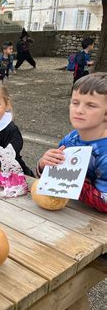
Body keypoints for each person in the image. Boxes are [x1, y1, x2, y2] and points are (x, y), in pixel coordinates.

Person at [37, 73, 106, 213]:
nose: (79, 110)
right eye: (75, 102)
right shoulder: (70, 140)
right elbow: (49, 179)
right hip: (68, 212)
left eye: (91, 105)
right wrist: (44, 165)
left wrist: (72, 182)